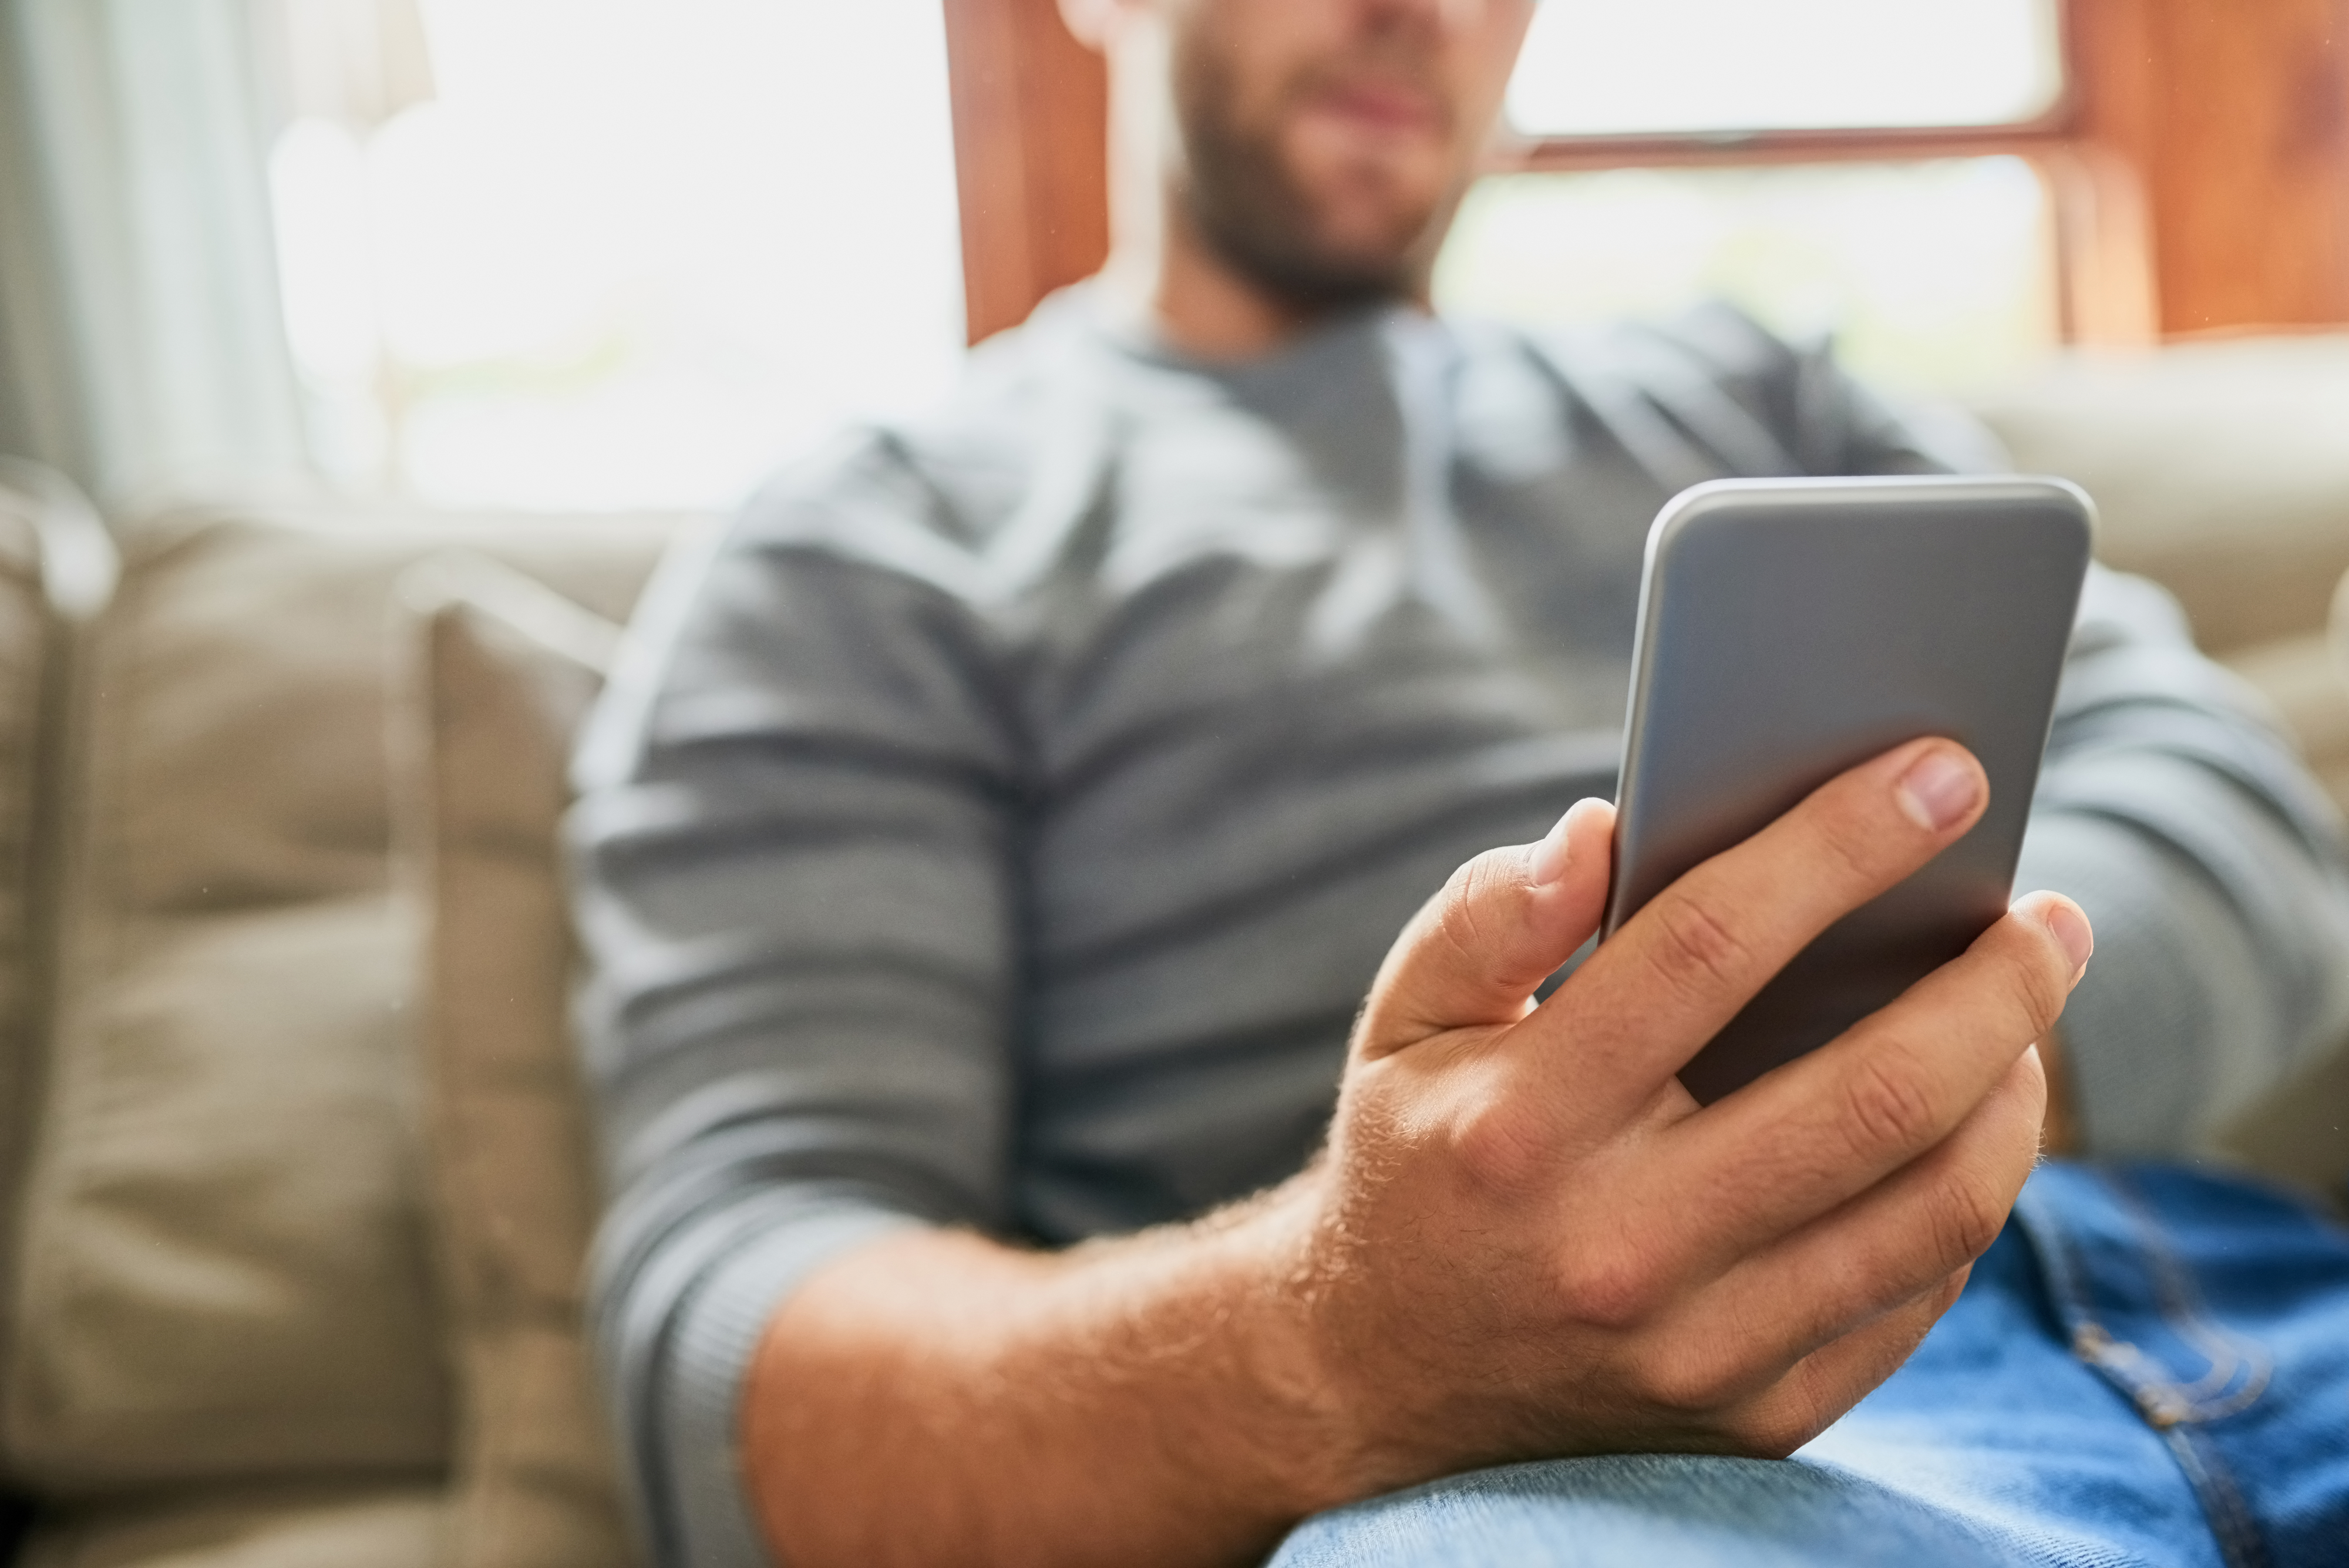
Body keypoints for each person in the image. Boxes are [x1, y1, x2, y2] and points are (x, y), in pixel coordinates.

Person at [567, 1, 2349, 1563]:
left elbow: (2242, 813)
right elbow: (741, 1355)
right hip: (1556, 1476)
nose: (1419, 5)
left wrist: (1851, 1095)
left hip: (2212, 1293)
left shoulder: (1750, 396)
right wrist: (1339, 1336)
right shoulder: (874, 542)